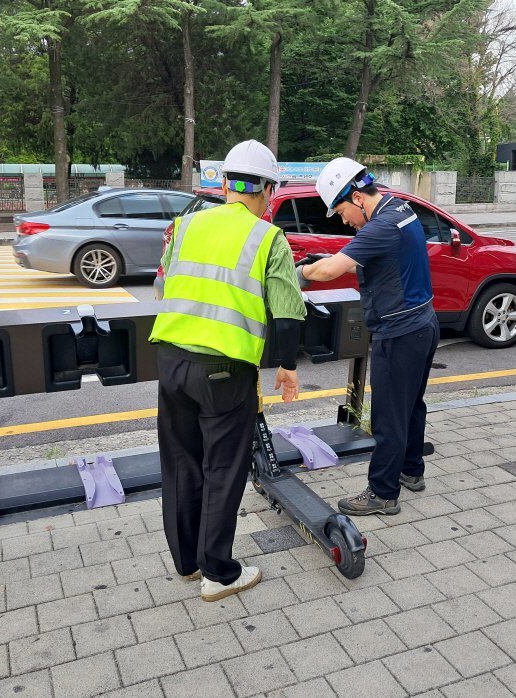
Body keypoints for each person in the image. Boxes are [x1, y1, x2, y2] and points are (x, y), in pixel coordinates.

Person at [150, 139, 306, 601]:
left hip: (172, 361)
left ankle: (186, 563)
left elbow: (162, 287)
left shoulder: (183, 225)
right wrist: (288, 366)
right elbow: (288, 310)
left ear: (225, 184)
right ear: (267, 190)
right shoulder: (266, 236)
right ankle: (217, 572)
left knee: (180, 465)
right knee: (223, 469)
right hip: (223, 373)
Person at [297, 157, 439, 516]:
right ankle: (411, 471)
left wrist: (300, 272)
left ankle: (382, 492)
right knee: (411, 406)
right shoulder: (398, 209)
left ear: (358, 197)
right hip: (423, 324)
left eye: (342, 210)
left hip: (400, 331)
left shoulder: (382, 226)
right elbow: (368, 256)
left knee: (389, 417)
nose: (343, 220)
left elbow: (329, 270)